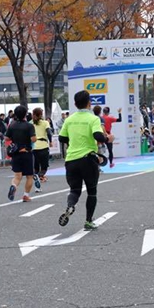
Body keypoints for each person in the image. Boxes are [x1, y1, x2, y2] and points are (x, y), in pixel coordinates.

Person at [57, 90, 113, 230]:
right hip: (88, 159)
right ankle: (88, 221)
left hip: (71, 160)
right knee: (91, 191)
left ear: (75, 104)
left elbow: (61, 138)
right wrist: (107, 138)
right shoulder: (93, 119)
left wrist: (73, 141)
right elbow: (98, 136)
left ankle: (71, 206)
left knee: (75, 190)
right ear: (89, 103)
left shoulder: (69, 119)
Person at [5, 105, 36, 202]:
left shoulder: (12, 125)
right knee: (29, 176)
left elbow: (6, 138)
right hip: (26, 152)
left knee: (17, 176)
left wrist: (15, 139)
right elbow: (33, 139)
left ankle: (13, 186)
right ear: (25, 114)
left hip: (16, 153)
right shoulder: (29, 126)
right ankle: (26, 195)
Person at [32, 107, 52, 190]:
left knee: (36, 166)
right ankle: (40, 176)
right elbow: (49, 133)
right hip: (43, 146)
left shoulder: (31, 123)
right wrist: (50, 141)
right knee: (44, 167)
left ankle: (37, 179)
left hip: (34, 146)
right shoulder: (45, 123)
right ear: (41, 115)